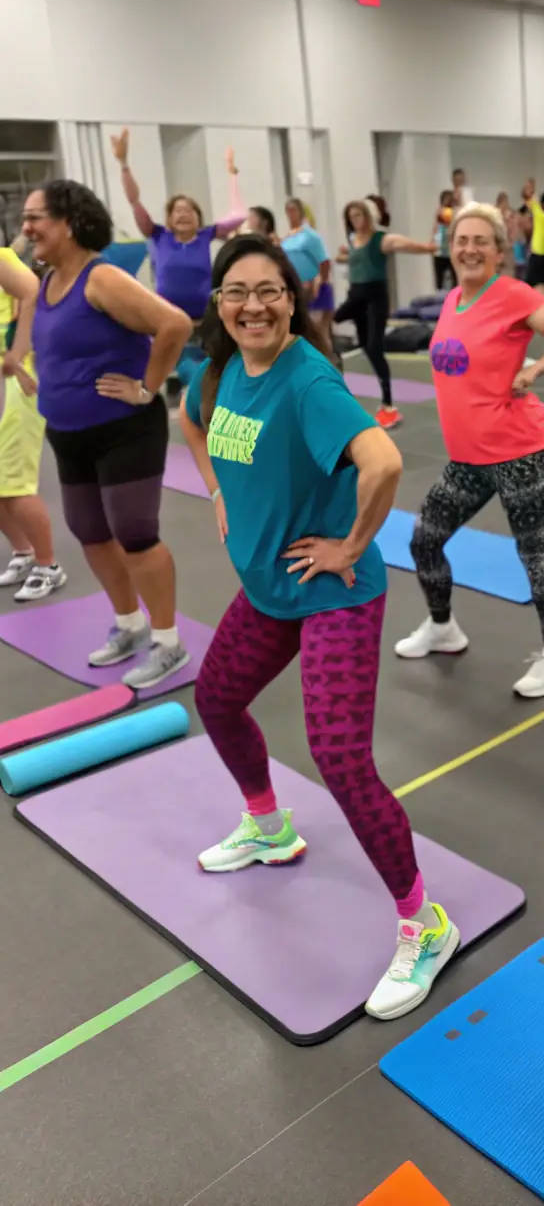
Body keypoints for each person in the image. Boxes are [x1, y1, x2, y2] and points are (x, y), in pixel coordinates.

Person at [179, 232, 457, 1020]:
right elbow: (192, 420)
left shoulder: (307, 380)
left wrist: (352, 544)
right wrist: (217, 491)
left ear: (292, 298)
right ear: (219, 302)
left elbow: (384, 462)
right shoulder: (218, 370)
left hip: (333, 591)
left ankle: (425, 924)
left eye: (269, 291)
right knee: (217, 697)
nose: (254, 306)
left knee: (339, 756)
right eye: (237, 292)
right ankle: (268, 825)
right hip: (271, 587)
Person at [0, 181, 192, 688]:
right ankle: (129, 624)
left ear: (69, 223)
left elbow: (174, 325)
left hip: (123, 431)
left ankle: (168, 642)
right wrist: (22, 366)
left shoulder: (100, 278)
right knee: (90, 531)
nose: (26, 227)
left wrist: (147, 388)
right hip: (68, 433)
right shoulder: (47, 281)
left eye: (36, 217)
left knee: (135, 534)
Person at [395, 203, 544, 697]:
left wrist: (535, 369)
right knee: (424, 539)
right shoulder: (452, 300)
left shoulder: (511, 294)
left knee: (536, 557)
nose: (470, 249)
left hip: (518, 451)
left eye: (481, 241)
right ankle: (443, 627)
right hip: (468, 458)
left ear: (500, 252)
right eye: (462, 240)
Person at [111, 129, 245, 388]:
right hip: (168, 321)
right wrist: (124, 164)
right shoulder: (159, 235)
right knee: (180, 372)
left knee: (211, 371)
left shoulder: (206, 235)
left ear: (198, 218)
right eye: (177, 211)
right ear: (169, 219)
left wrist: (232, 174)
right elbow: (134, 201)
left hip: (204, 322)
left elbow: (239, 216)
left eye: (189, 210)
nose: (183, 214)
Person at [334, 199, 437, 431]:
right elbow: (355, 259)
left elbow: (403, 244)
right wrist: (343, 256)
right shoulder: (353, 240)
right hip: (356, 299)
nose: (355, 220)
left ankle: (388, 404)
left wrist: (427, 248)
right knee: (353, 340)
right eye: (351, 217)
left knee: (374, 347)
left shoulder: (381, 239)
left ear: (368, 216)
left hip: (375, 299)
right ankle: (339, 393)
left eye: (359, 215)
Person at [0, 244, 65, 601]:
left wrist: (18, 354)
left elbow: (30, 290)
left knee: (14, 482)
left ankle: (48, 565)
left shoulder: (2, 260)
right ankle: (23, 551)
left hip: (16, 381)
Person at [280, 197, 333, 341]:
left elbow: (324, 261)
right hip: (296, 288)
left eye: (294, 210)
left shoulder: (310, 236)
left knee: (318, 332)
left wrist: (320, 281)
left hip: (313, 287)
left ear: (301, 211)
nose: (291, 213)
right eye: (288, 210)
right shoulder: (287, 237)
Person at [433, 190, 455, 292]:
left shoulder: (453, 212)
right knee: (440, 282)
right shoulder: (440, 212)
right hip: (440, 251)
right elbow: (436, 229)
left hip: (451, 251)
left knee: (454, 280)